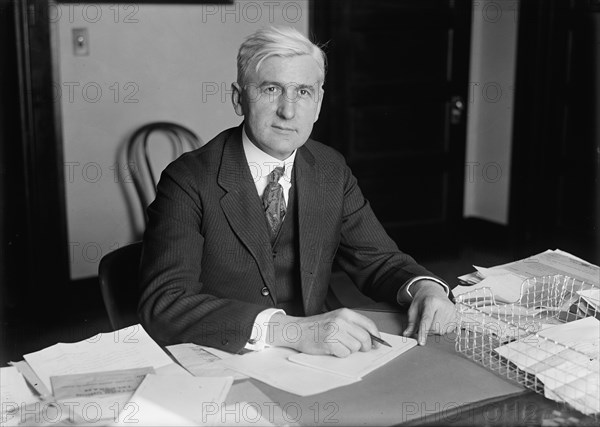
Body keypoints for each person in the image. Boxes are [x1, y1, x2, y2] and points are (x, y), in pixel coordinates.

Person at [138, 26, 455, 357]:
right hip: (227, 356)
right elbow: (166, 303)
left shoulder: (330, 169)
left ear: (318, 104)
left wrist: (426, 287)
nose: (288, 111)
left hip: (317, 356)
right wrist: (289, 330)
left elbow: (379, 260)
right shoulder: (188, 179)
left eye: (303, 92)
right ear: (239, 98)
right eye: (271, 89)